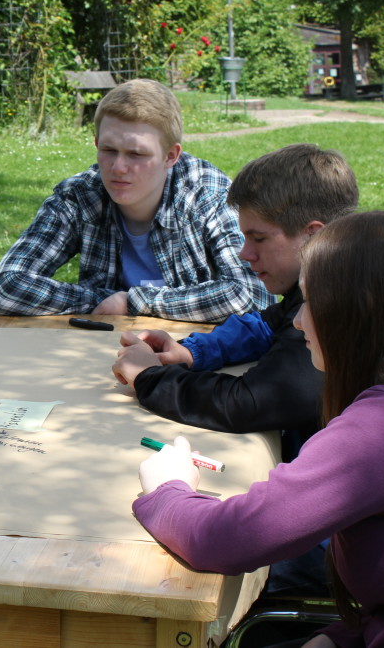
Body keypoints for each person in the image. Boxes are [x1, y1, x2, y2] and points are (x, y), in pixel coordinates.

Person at [133, 211, 384, 648]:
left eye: (309, 302)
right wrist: (340, 638)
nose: (299, 320)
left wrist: (168, 490)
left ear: (355, 309)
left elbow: (227, 540)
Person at [112, 144, 359, 463]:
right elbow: (263, 326)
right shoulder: (330, 279)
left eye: (259, 239)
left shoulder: (334, 307)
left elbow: (250, 403)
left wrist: (148, 377)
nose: (245, 254)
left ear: (313, 237)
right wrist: (191, 352)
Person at [0, 78, 271, 322]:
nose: (118, 167)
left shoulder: (207, 193)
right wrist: (103, 300)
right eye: (109, 150)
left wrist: (134, 303)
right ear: (97, 143)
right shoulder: (80, 196)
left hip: (194, 358)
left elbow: (252, 294)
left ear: (171, 156)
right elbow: (6, 287)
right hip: (103, 349)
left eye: (136, 154)